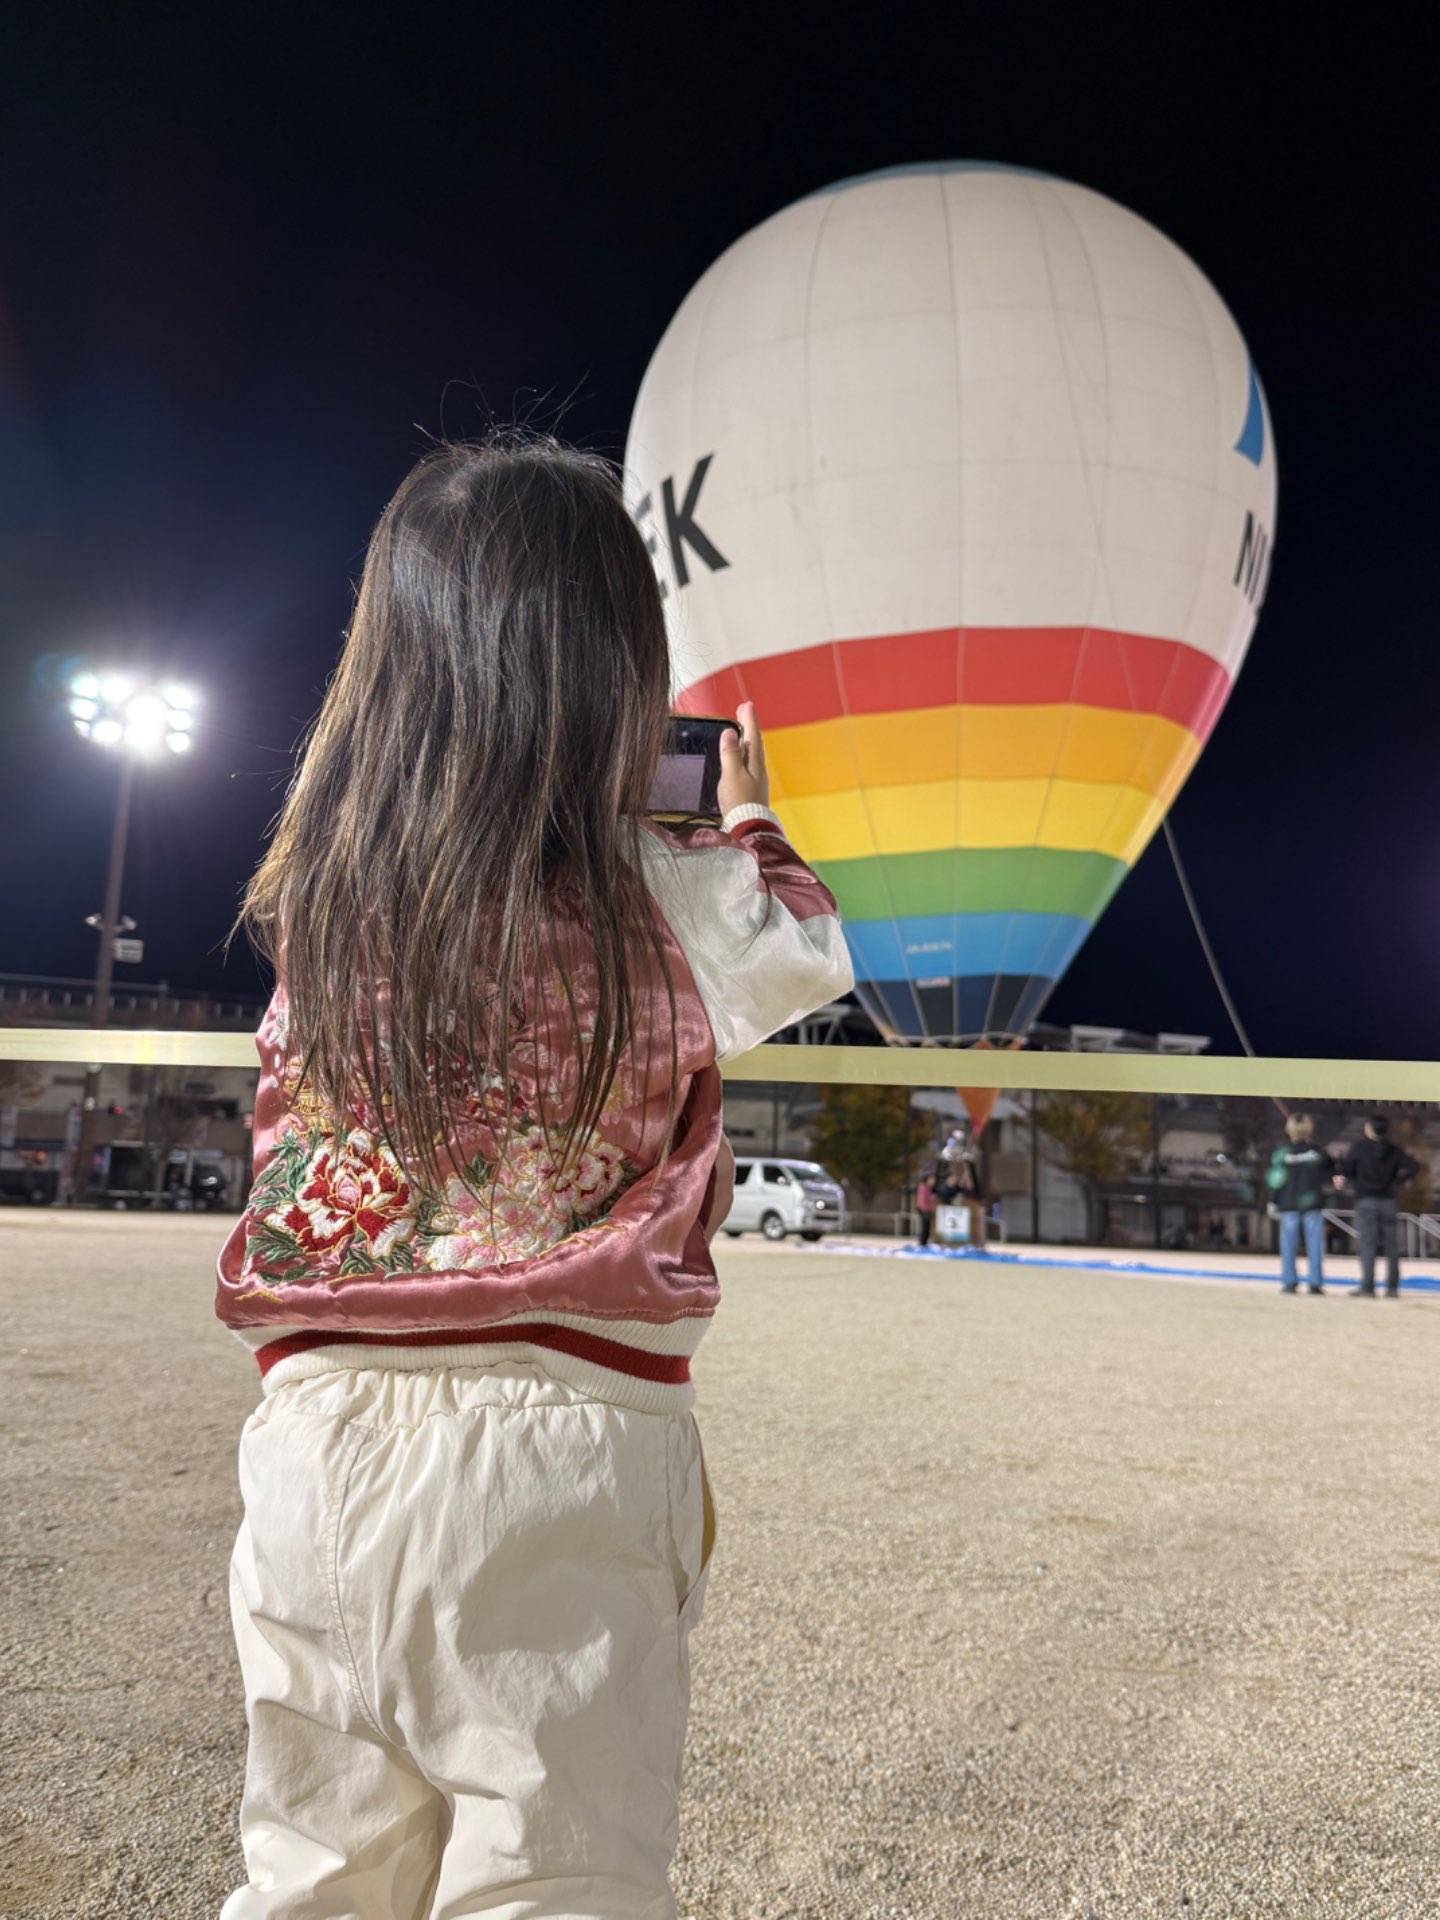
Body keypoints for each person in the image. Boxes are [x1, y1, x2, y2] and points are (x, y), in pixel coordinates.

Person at [213, 436, 853, 1920]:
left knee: (308, 1871)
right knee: (551, 1874)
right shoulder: (666, 883)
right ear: (621, 670)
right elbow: (807, 954)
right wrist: (736, 810)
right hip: (557, 1446)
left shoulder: (332, 884)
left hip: (309, 1437)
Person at [1337, 1116, 1422, 1297]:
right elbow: (1414, 1166)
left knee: (1368, 1244)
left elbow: (1347, 1170)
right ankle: (1392, 1287)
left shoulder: (1359, 1148)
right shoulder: (1393, 1150)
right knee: (1392, 1245)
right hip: (1388, 1200)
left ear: (1369, 1129)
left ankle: (1368, 1286)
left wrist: (1342, 1165)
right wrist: (1397, 1180)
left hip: (1366, 1200)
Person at [1265, 1113, 1333, 1294]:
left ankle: (1289, 1282)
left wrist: (1272, 1201)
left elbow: (1275, 1179)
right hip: (1312, 1204)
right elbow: (1331, 1171)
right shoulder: (1317, 1151)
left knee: (1288, 1245)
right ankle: (1315, 1283)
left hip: (1288, 1204)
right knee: (1315, 1245)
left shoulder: (1282, 1152)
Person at [915, 1168, 936, 1246]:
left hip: (926, 1210)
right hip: (924, 1210)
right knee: (924, 1227)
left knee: (927, 1227)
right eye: (932, 1179)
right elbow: (922, 1200)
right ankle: (922, 1242)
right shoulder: (923, 1188)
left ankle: (924, 1242)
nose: (933, 1181)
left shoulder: (928, 1188)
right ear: (927, 1179)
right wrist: (925, 1210)